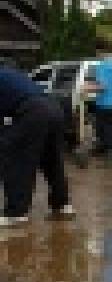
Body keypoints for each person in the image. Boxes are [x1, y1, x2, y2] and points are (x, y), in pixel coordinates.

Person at [0, 65, 73, 226]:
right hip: (55, 109)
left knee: (17, 159)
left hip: (34, 111)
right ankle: (62, 205)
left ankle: (16, 213)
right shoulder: (11, 72)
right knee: (52, 160)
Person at [90, 41, 112, 158]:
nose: (97, 55)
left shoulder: (102, 66)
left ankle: (109, 151)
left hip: (105, 104)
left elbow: (103, 86)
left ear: (100, 52)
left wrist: (86, 88)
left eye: (97, 53)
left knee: (104, 128)